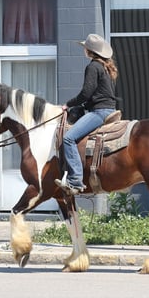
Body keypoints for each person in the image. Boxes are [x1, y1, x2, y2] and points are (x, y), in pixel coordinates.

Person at [55, 33, 118, 195]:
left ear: (89, 51)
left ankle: (75, 180)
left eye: (85, 48)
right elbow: (98, 94)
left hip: (100, 112)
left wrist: (67, 105)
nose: (84, 50)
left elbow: (86, 93)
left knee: (68, 138)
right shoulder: (105, 67)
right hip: (109, 109)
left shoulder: (93, 67)